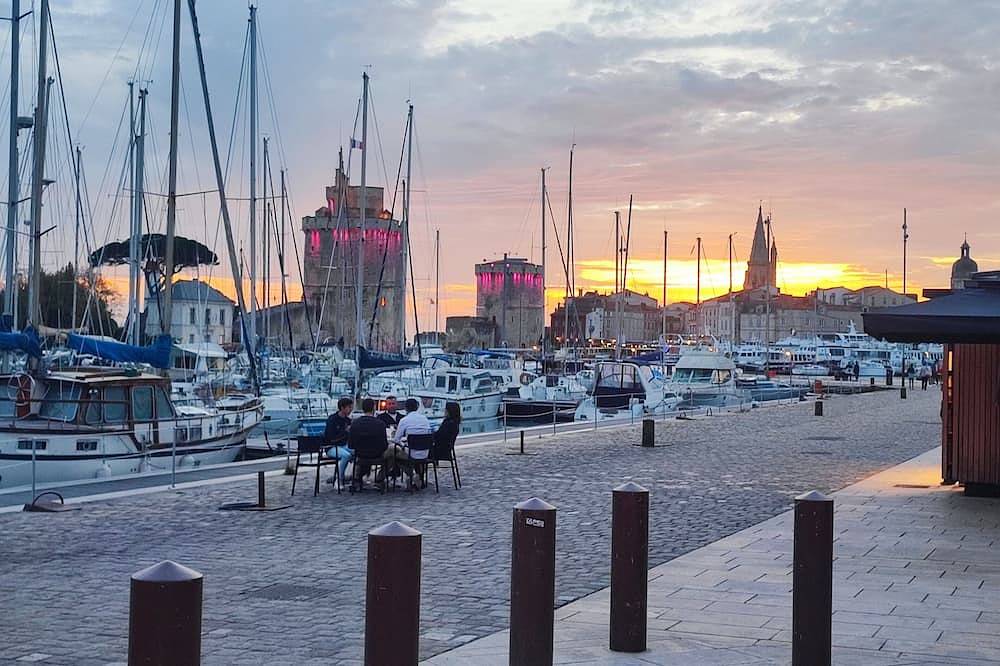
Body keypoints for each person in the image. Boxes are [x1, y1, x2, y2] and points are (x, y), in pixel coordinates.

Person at [348, 398, 390, 487]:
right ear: (374, 408)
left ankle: (357, 477)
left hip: (360, 454)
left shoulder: (355, 424)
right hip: (377, 454)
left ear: (363, 409)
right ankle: (380, 478)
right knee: (392, 454)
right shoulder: (380, 424)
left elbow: (351, 444)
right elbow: (384, 445)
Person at [392, 398, 432, 486]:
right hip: (425, 452)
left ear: (406, 408)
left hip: (411, 453)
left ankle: (412, 475)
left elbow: (396, 440)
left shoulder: (404, 420)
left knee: (395, 454)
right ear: (417, 407)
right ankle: (419, 476)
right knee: (414, 451)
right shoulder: (424, 419)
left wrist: (403, 444)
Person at [324, 397, 354, 485]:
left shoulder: (348, 420)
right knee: (346, 455)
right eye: (349, 407)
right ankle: (339, 479)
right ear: (342, 408)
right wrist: (345, 431)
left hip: (344, 445)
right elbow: (330, 437)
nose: (351, 410)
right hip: (331, 446)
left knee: (358, 452)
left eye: (351, 407)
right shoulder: (332, 419)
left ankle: (356, 477)